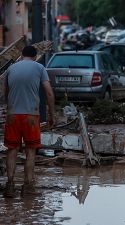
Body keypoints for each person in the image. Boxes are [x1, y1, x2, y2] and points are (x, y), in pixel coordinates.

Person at [3, 45, 55, 198]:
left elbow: (5, 93)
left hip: (13, 116)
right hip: (31, 117)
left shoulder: (11, 69)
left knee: (11, 151)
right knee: (30, 152)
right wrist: (52, 114)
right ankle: (28, 187)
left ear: (22, 55)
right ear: (35, 56)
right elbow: (49, 93)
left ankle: (10, 186)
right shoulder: (39, 68)